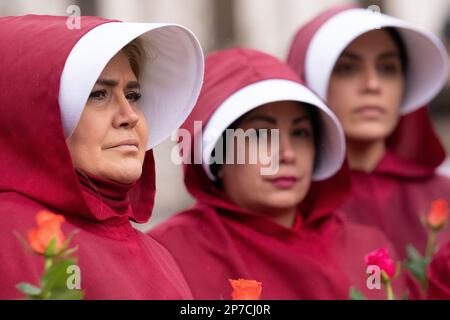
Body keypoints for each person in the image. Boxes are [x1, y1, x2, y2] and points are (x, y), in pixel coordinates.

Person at [150, 48, 406, 299]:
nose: (287, 154)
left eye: (300, 133)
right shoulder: (168, 253)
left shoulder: (367, 249)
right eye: (262, 134)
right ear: (216, 152)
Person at [0, 15, 204, 299]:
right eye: (98, 95)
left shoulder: (158, 255)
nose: (129, 116)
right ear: (35, 112)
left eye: (133, 95)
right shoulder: (10, 235)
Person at [287, 5, 450, 260]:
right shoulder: (285, 201)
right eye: (347, 68)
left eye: (387, 68)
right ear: (309, 79)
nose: (372, 85)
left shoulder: (443, 193)